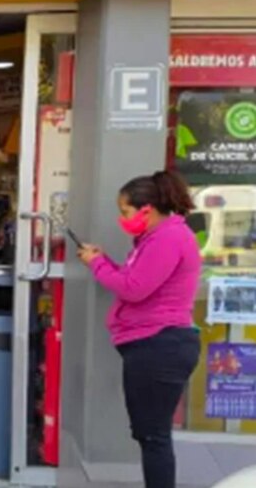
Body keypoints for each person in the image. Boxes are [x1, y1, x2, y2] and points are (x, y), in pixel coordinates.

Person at [76, 171, 201, 488]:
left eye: (126, 211)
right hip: (155, 345)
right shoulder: (157, 238)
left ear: (148, 209)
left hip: (159, 345)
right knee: (150, 434)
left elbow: (134, 289)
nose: (123, 218)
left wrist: (96, 264)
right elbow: (137, 280)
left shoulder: (167, 238)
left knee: (153, 437)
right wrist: (104, 261)